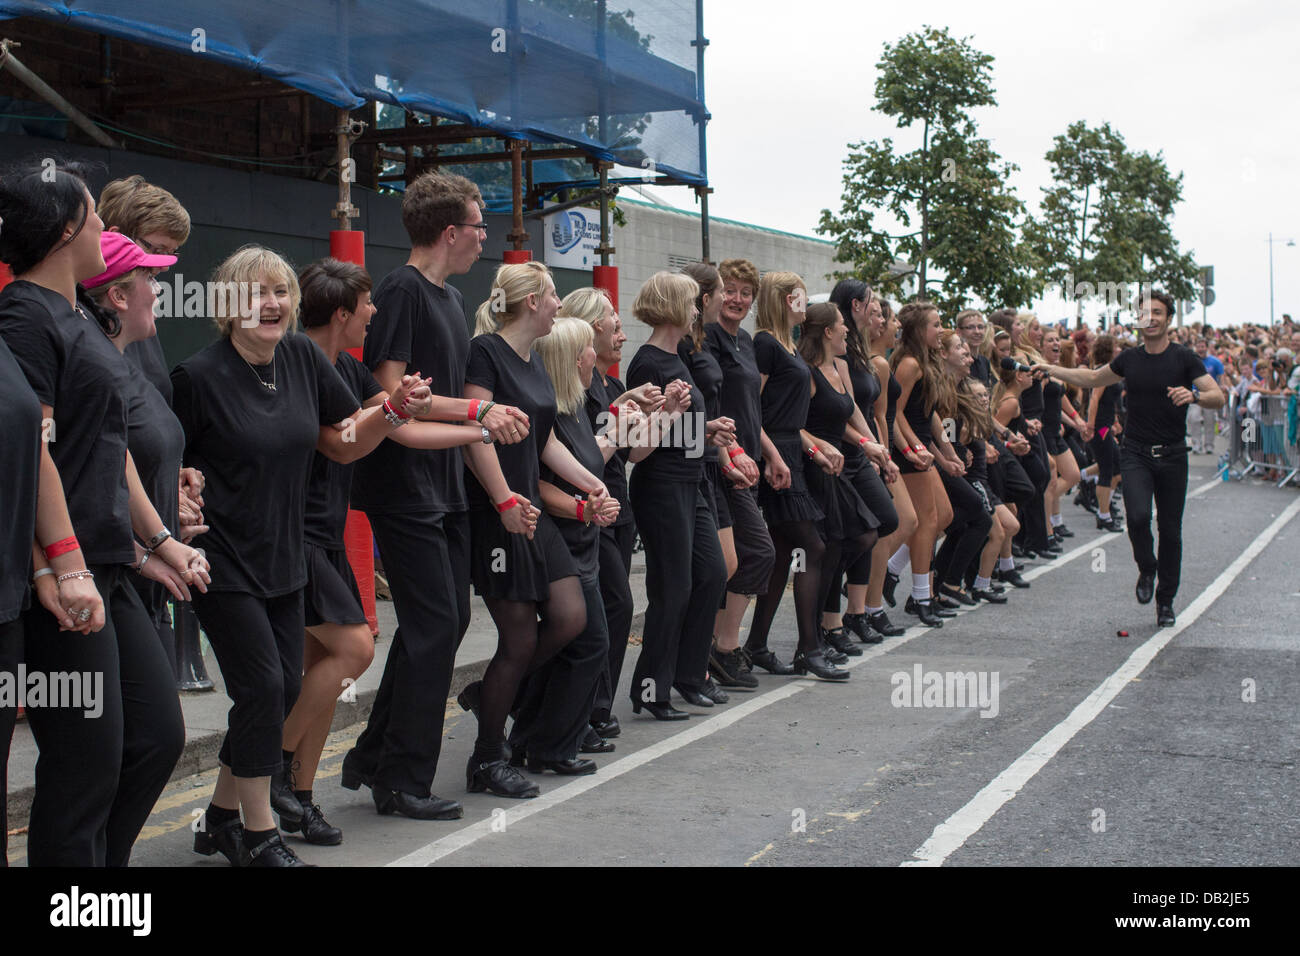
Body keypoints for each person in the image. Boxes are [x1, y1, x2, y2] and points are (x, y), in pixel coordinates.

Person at [175, 245, 428, 866]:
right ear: (226, 305)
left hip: (286, 556)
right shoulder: (196, 377)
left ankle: (218, 817)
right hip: (223, 558)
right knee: (263, 686)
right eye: (255, 293)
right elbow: (165, 465)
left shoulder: (299, 359)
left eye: (281, 291)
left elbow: (343, 444)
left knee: (282, 688)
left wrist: (391, 410)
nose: (272, 303)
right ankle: (259, 835)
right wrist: (178, 495)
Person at [0, 160, 203, 866]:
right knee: (84, 761)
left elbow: (110, 445)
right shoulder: (25, 316)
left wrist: (157, 538)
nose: (102, 225)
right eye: (92, 214)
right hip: (66, 581)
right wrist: (59, 564)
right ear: (66, 231)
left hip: (110, 564)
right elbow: (35, 452)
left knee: (153, 738)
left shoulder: (81, 315)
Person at [343, 172, 528, 821]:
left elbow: (440, 402)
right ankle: (401, 777)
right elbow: (386, 395)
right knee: (432, 626)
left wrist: (482, 415)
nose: (484, 237)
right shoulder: (401, 291)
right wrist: (480, 414)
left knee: (444, 624)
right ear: (450, 232)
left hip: (444, 488)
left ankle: (375, 756)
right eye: (479, 226)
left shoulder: (449, 301)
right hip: (404, 489)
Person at [286, 258, 489, 844]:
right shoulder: (302, 360)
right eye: (366, 306)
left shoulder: (345, 368)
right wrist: (421, 411)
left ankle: (309, 786)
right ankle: (271, 770)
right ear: (344, 312)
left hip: (324, 533)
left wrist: (473, 416)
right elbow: (353, 440)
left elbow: (395, 415)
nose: (375, 315)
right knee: (350, 652)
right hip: (294, 533)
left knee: (330, 665)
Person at [458, 261, 609, 795]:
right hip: (502, 514)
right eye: (552, 296)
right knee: (519, 640)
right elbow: (476, 429)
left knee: (570, 617)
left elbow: (543, 440)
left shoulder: (534, 358)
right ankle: (486, 759)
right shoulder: (485, 350)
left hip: (533, 514)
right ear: (530, 303)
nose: (559, 305)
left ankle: (495, 695)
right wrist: (502, 502)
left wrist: (591, 483)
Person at [1035, 291, 1224, 626]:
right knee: (1137, 518)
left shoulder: (1184, 359)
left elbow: (1217, 395)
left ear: (1168, 318)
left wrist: (1193, 395)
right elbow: (1093, 378)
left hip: (1173, 455)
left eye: (1157, 312)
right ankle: (1146, 568)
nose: (1150, 318)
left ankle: (1165, 601)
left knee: (1171, 530)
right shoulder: (1130, 360)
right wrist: (1051, 369)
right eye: (1144, 313)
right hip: (1135, 451)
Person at [513, 316, 640, 774]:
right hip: (560, 541)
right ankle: (545, 741)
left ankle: (531, 737)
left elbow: (593, 462)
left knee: (577, 644)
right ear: (572, 358)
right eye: (588, 347)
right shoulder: (551, 413)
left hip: (584, 538)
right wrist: (584, 506)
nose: (595, 354)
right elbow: (539, 485)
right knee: (589, 642)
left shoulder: (578, 407)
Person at [626, 271, 730, 714]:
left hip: (692, 482)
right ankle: (652, 689)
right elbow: (640, 440)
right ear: (672, 306)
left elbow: (679, 432)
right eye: (690, 303)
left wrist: (707, 431)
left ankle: (690, 674)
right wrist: (687, 424)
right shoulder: (649, 361)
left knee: (711, 574)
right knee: (672, 588)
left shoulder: (677, 357)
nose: (695, 311)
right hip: (663, 486)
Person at [745, 271, 848, 679]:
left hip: (792, 452)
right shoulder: (766, 344)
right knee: (813, 547)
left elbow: (792, 416)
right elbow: (754, 409)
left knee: (787, 553)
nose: (805, 302)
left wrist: (812, 449)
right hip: (776, 455)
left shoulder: (785, 344)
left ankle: (757, 644)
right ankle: (809, 647)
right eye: (799, 295)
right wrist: (771, 455)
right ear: (785, 300)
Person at [705, 258, 777, 687]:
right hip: (724, 465)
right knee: (757, 553)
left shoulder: (745, 341)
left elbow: (754, 410)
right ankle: (724, 646)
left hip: (750, 462)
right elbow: (710, 408)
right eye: (729, 290)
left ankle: (717, 647)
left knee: (743, 558)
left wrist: (774, 455)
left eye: (744, 292)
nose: (736, 299)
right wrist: (730, 454)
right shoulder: (709, 339)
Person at [797, 302, 881, 657]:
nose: (848, 329)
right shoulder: (806, 373)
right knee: (824, 549)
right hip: (816, 470)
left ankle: (824, 624)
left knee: (863, 534)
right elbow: (790, 425)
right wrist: (818, 451)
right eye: (842, 325)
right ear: (828, 332)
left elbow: (855, 415)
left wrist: (871, 445)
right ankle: (817, 634)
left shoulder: (839, 366)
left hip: (838, 465)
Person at [822, 280, 900, 646]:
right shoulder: (837, 348)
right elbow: (839, 410)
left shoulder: (857, 348)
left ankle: (855, 612)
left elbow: (860, 408)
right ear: (856, 306)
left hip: (859, 451)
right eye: (873, 306)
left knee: (883, 521)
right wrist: (870, 444)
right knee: (855, 534)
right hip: (837, 453)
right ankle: (834, 616)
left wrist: (877, 448)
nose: (879, 313)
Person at [886, 302, 956, 628]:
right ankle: (921, 597)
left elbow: (929, 414)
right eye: (936, 324)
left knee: (943, 516)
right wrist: (914, 448)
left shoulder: (925, 361)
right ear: (918, 330)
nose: (941, 330)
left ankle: (891, 570)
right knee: (926, 521)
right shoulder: (910, 364)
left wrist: (946, 451)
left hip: (922, 447)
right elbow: (894, 412)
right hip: (906, 450)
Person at [96, 174, 191, 403]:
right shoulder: (78, 317)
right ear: (117, 235)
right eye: (158, 250)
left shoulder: (141, 317)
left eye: (172, 253)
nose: (164, 266)